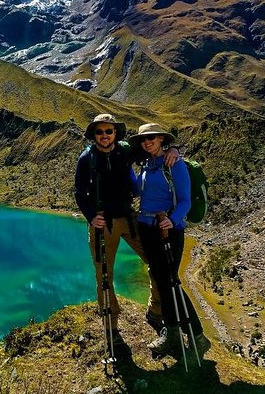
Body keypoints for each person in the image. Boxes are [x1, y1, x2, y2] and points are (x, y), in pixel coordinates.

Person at [74, 114, 176, 340]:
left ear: (115, 133)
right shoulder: (86, 158)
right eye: (100, 132)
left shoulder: (125, 151)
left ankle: (155, 311)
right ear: (94, 135)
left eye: (108, 131)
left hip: (130, 218)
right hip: (104, 222)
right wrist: (91, 216)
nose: (104, 136)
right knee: (104, 274)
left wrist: (172, 149)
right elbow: (80, 193)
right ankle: (110, 322)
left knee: (157, 263)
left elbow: (153, 149)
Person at [129, 123, 211, 356]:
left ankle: (197, 335)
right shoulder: (146, 165)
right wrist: (125, 166)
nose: (147, 142)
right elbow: (137, 191)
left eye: (152, 138)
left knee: (171, 284)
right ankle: (173, 332)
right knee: (162, 283)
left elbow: (185, 200)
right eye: (144, 139)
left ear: (162, 139)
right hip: (147, 229)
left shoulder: (174, 164)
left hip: (168, 231)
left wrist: (172, 220)